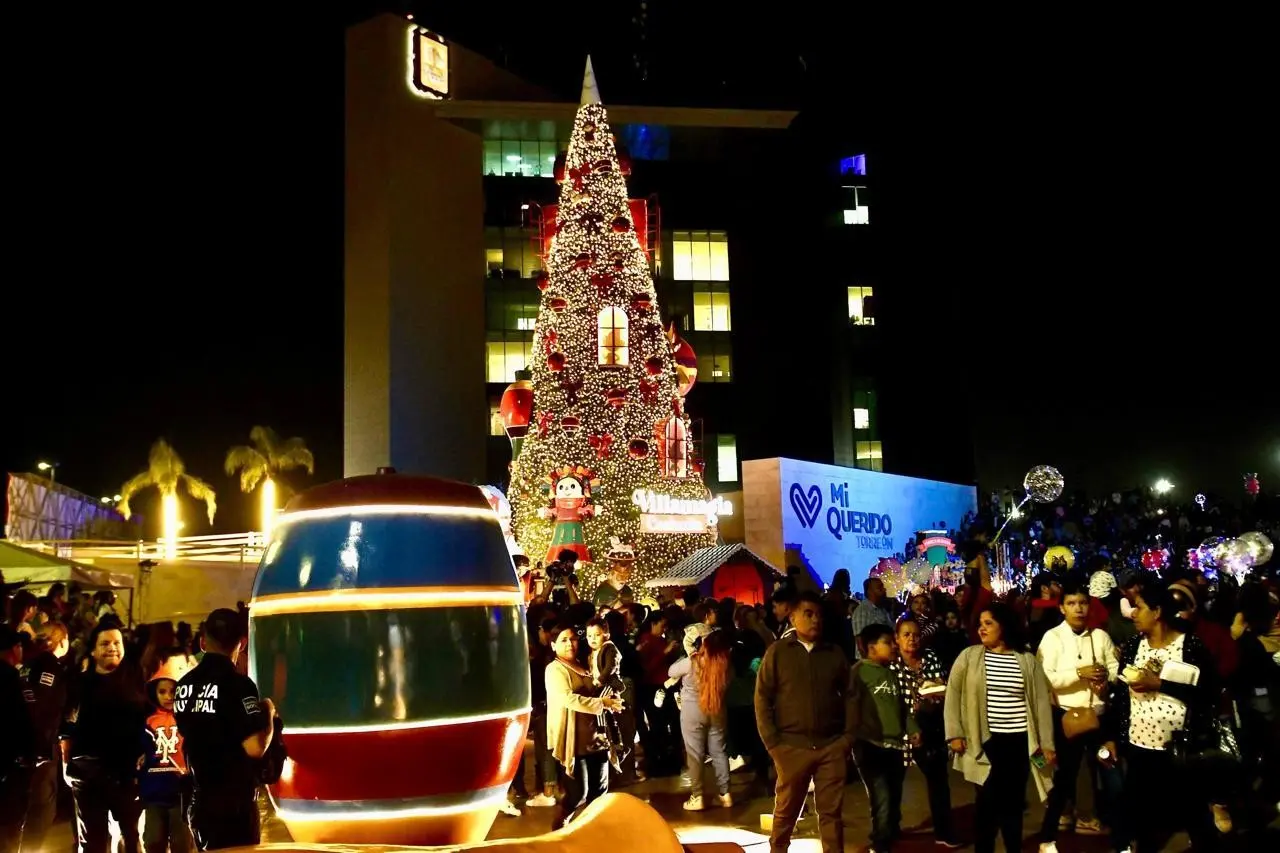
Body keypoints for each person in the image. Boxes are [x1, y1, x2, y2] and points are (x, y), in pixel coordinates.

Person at [1100, 578, 1218, 851]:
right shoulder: (1132, 646)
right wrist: (1111, 737)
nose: (1133, 614)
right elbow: (1120, 696)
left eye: (1138, 607)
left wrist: (1160, 684)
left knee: (1194, 813)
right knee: (1141, 817)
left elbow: (1209, 693)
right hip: (1139, 746)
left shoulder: (1190, 646)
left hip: (1180, 748)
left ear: (1157, 612)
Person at [944, 603, 1055, 853]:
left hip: (1020, 743)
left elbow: (1040, 703)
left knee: (1014, 803)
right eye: (980, 624)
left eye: (988, 623)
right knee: (986, 803)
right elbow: (953, 695)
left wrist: (1046, 745)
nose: (982, 629)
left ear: (1004, 626)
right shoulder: (969, 656)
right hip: (985, 742)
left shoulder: (1026, 659)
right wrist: (954, 734)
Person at [754, 591, 855, 853]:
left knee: (831, 814)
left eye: (818, 615)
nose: (815, 620)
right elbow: (762, 697)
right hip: (790, 746)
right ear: (793, 616)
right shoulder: (778, 652)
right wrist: (773, 744)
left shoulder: (834, 653)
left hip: (830, 746)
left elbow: (852, 696)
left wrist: (846, 739)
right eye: (808, 614)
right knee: (786, 810)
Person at [173, 608, 275, 850]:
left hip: (199, 800)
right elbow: (256, 747)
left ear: (202, 641)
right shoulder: (239, 686)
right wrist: (268, 714)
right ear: (242, 642)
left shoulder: (183, 686)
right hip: (235, 806)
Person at [1036, 579, 1119, 847]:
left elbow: (1115, 667)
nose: (1078, 609)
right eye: (1072, 604)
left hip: (1100, 718)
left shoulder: (1100, 636)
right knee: (1064, 779)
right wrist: (1079, 674)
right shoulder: (1052, 637)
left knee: (1111, 773)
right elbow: (1046, 678)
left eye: (1083, 603)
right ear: (1062, 608)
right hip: (1068, 718)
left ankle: (1122, 837)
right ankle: (1048, 837)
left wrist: (1106, 677)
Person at [545, 624, 624, 829]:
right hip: (575, 740)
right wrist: (602, 703)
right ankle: (559, 830)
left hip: (597, 737)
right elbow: (568, 699)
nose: (570, 644)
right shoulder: (555, 669)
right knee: (577, 793)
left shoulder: (587, 664)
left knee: (599, 792)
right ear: (553, 645)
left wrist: (611, 700)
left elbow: (599, 691)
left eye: (572, 639)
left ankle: (592, 833)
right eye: (563, 640)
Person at [849, 623, 918, 852]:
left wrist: (912, 729)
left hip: (895, 744)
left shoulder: (891, 672)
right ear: (871, 647)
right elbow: (851, 706)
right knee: (881, 794)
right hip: (870, 744)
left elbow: (900, 706)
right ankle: (880, 841)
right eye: (887, 643)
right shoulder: (859, 672)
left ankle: (891, 828)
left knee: (894, 790)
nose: (893, 647)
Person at [19, 621, 71, 852]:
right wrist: (40, 746)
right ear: (62, 640)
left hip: (23, 745)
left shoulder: (27, 664)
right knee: (41, 807)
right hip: (40, 748)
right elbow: (42, 707)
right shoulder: (50, 666)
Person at [140, 655, 195, 853]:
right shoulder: (148, 722)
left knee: (182, 843)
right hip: (154, 792)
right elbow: (141, 750)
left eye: (174, 691)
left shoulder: (188, 719)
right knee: (154, 841)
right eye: (162, 691)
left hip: (181, 793)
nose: (168, 696)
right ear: (154, 693)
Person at [2, 625, 36, 853]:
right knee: (9, 831)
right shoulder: (12, 678)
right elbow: (22, 720)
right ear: (15, 648)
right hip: (8, 768)